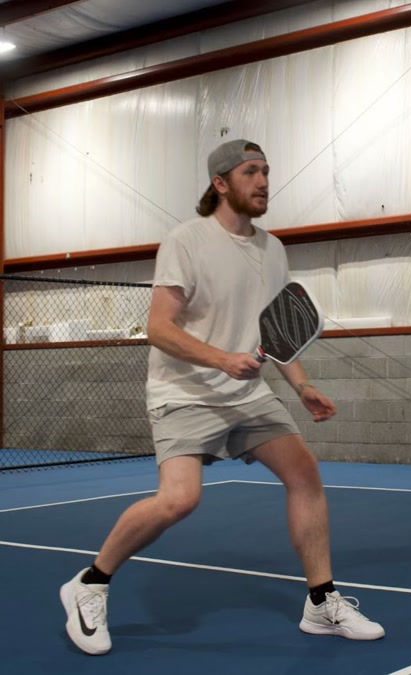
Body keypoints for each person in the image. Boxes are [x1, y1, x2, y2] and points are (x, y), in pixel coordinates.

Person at [59, 139, 385, 655]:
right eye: (250, 171)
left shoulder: (273, 249)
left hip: (248, 395)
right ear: (220, 183)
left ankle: (321, 603)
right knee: (179, 500)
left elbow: (277, 332)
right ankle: (90, 584)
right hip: (185, 392)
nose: (263, 181)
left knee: (304, 474)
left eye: (266, 171)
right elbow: (159, 328)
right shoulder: (186, 241)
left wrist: (302, 386)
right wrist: (220, 360)